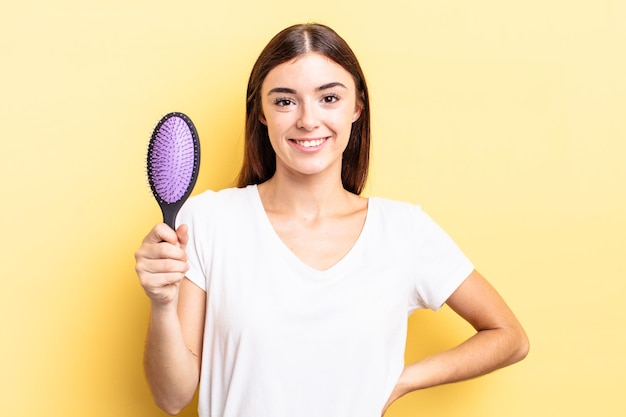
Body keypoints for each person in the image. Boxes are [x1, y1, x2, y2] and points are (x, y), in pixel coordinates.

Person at [134, 23, 529, 417]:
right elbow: (171, 399)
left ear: (357, 106)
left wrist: (403, 380)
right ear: (261, 113)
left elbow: (510, 337)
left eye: (329, 98)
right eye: (285, 101)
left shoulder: (403, 230)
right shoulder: (208, 222)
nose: (308, 120)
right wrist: (162, 304)